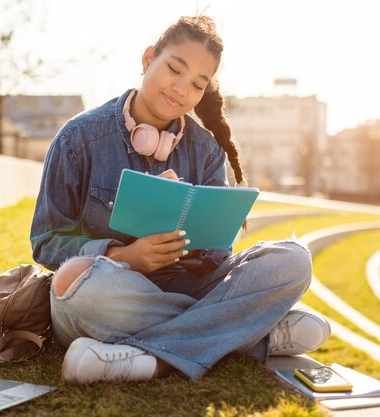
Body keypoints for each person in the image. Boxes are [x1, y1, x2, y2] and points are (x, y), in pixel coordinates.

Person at [30, 15, 330, 384]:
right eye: (174, 69)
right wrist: (125, 256)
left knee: (294, 260)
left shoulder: (205, 150)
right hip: (113, 292)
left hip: (185, 283)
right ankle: (253, 333)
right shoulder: (77, 139)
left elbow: (219, 257)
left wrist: (193, 245)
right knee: (75, 286)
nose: (181, 90)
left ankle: (151, 361)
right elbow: (46, 243)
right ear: (147, 60)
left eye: (197, 85)